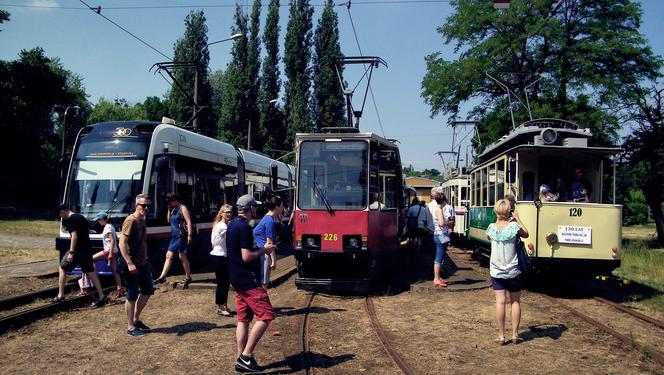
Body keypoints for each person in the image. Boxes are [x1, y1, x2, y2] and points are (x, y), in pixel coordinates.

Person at [227, 194, 277, 373]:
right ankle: (246, 356)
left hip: (236, 278)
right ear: (249, 209)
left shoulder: (232, 223)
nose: (257, 209)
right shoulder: (244, 227)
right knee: (266, 315)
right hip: (248, 279)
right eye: (255, 207)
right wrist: (265, 249)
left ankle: (240, 357)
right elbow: (246, 256)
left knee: (243, 318)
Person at [486, 199, 529, 345]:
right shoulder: (514, 227)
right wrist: (517, 218)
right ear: (509, 211)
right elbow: (526, 234)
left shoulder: (491, 228)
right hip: (513, 271)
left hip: (497, 271)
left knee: (500, 302)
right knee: (515, 301)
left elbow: (489, 237)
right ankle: (515, 334)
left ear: (496, 211)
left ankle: (501, 336)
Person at [53, 204, 107, 307]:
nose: (61, 217)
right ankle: (101, 295)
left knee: (62, 267)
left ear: (63, 211)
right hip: (86, 249)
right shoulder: (81, 217)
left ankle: (61, 295)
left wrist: (71, 252)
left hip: (77, 250)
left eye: (60, 215)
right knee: (90, 271)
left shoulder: (71, 219)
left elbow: (74, 236)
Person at [118, 194, 155, 337]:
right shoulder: (131, 220)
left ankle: (136, 319)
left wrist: (145, 259)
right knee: (132, 295)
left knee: (147, 290)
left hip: (143, 263)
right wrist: (129, 263)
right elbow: (122, 243)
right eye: (143, 205)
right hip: (132, 264)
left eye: (148, 206)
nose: (146, 208)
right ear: (136, 206)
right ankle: (130, 327)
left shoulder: (142, 220)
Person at [155, 193, 193, 285]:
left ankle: (188, 277)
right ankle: (162, 277)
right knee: (169, 255)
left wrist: (189, 235)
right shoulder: (172, 209)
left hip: (180, 236)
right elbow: (168, 220)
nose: (170, 204)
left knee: (182, 256)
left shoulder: (182, 208)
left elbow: (188, 221)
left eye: (170, 202)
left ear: (175, 200)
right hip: (174, 236)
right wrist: (169, 210)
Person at [253, 195, 283, 290]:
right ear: (277, 207)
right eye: (282, 206)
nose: (283, 208)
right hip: (264, 255)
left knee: (260, 281)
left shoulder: (266, 218)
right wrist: (274, 260)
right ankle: (262, 303)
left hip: (259, 252)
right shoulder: (270, 221)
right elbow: (270, 243)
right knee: (264, 282)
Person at [93, 212, 124, 298]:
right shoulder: (111, 226)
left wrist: (110, 253)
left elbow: (112, 240)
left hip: (108, 251)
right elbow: (116, 238)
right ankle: (119, 289)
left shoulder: (107, 227)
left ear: (103, 219)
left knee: (90, 259)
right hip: (114, 251)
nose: (98, 222)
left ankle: (94, 278)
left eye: (99, 220)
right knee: (115, 271)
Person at [211, 204, 233, 317]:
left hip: (224, 255)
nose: (229, 214)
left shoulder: (225, 224)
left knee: (226, 282)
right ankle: (220, 307)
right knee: (221, 283)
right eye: (227, 212)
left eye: (230, 212)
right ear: (221, 214)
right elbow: (231, 237)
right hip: (219, 256)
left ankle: (224, 304)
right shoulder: (222, 226)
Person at [432, 195, 452, 287]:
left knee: (441, 255)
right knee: (439, 257)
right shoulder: (439, 210)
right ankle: (436, 279)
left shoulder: (438, 209)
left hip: (440, 234)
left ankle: (438, 277)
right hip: (441, 234)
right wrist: (449, 223)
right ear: (443, 201)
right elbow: (441, 223)